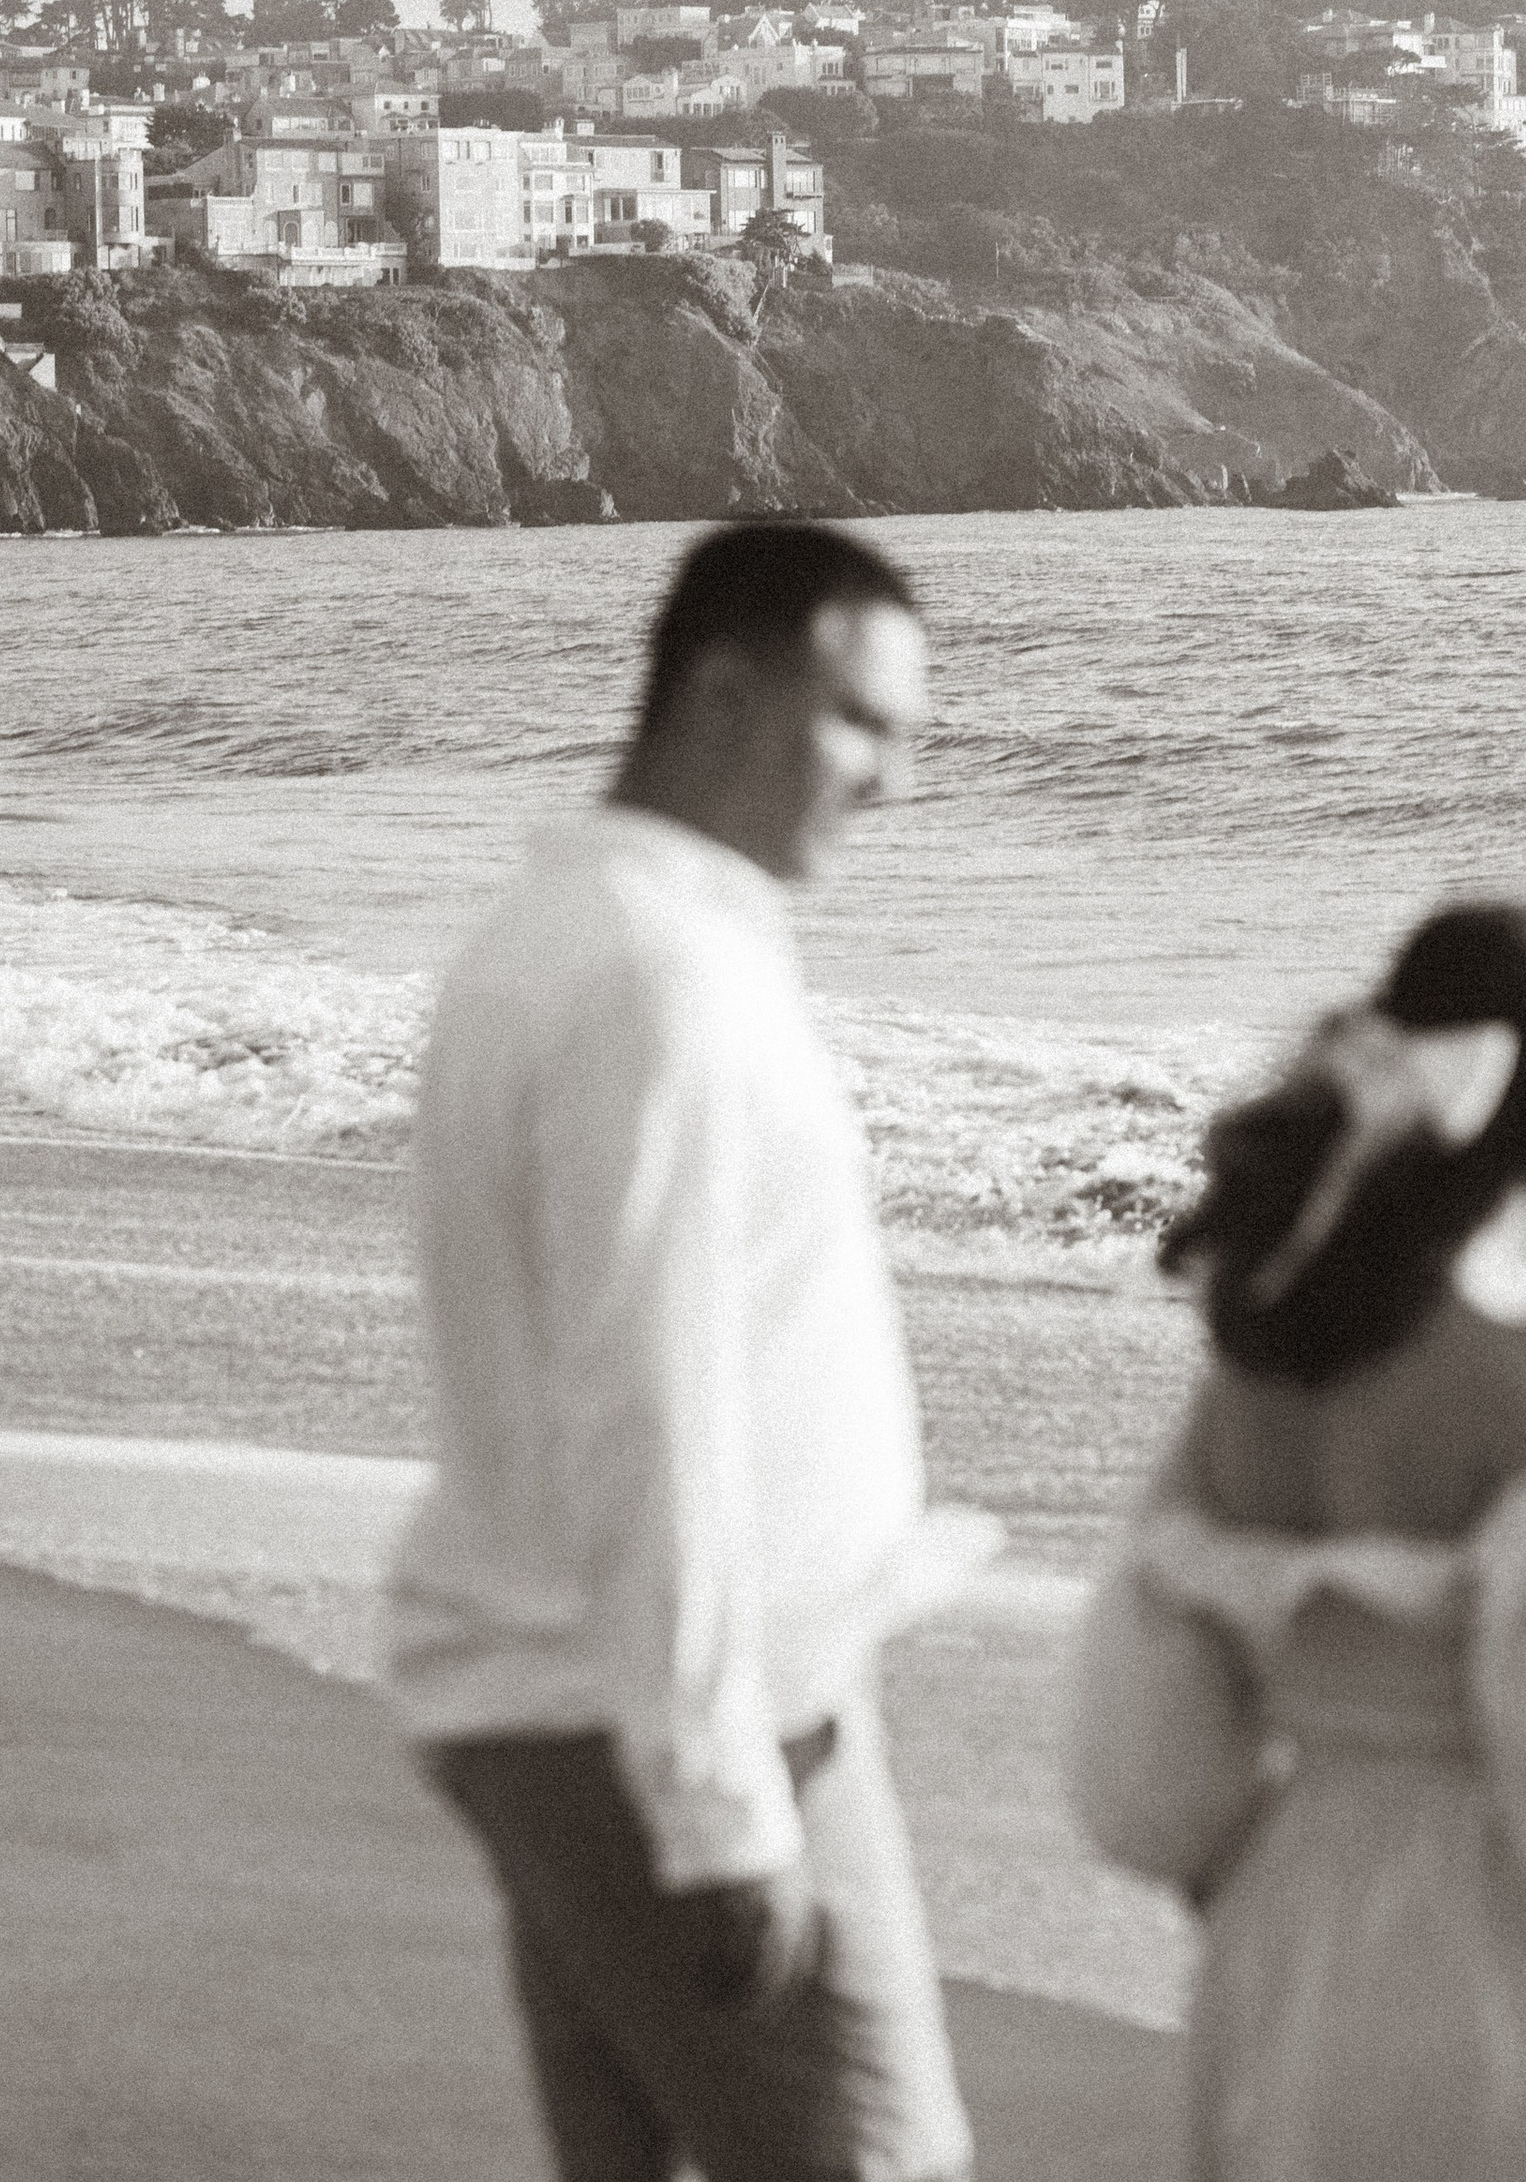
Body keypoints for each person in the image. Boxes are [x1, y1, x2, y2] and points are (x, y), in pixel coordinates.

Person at [388, 521, 979, 2182]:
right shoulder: (651, 980)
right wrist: (720, 1804)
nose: (893, 784)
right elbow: (645, 1409)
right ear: (720, 691)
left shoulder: (576, 937)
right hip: (670, 1720)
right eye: (862, 723)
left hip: (595, 1697)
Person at [1064, 898, 1526, 2182]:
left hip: (1288, 1925)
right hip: (1508, 1942)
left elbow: (1147, 1722)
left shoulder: (1256, 1354)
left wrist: (1232, 1869)